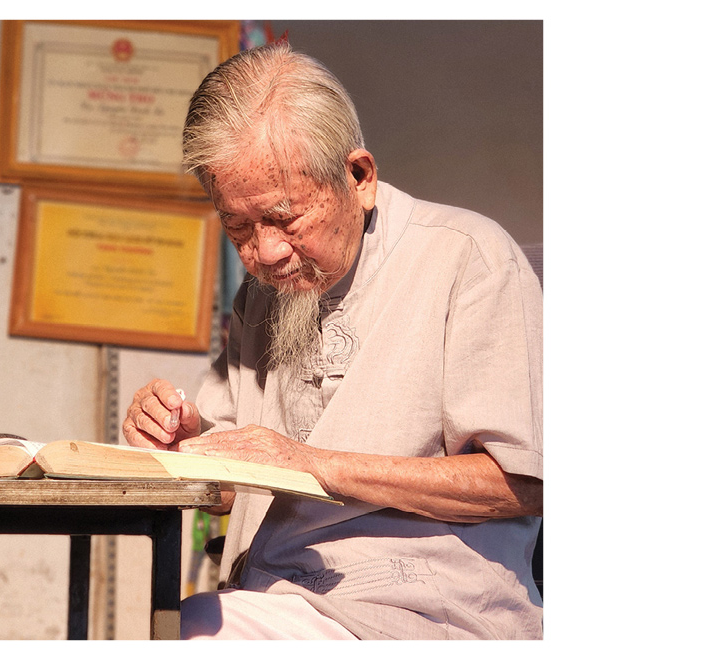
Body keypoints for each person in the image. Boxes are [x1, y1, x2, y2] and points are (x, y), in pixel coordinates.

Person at [121, 41, 543, 640]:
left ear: (360, 178)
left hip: (427, 614)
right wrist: (179, 439)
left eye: (284, 218)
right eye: (237, 226)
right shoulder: (263, 293)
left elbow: (524, 482)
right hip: (271, 596)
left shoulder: (467, 258)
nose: (263, 251)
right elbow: (220, 489)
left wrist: (313, 465)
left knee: (190, 635)